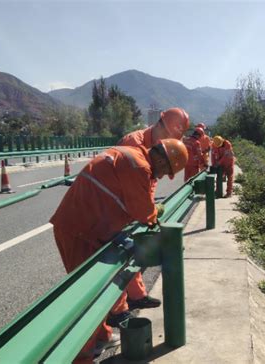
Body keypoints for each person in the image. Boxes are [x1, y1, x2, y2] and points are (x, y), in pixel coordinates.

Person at [50, 139, 188, 363]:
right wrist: (157, 211)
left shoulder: (132, 153)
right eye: (165, 170)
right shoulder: (139, 166)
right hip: (79, 230)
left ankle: (102, 336)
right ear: (161, 158)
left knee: (99, 290)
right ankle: (82, 357)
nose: (162, 176)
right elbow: (145, 212)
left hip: (88, 226)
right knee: (89, 295)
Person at [115, 107, 190, 315]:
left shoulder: (157, 149)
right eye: (167, 136)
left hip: (133, 200)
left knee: (132, 249)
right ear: (159, 124)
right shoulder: (134, 144)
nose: (167, 142)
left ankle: (137, 296)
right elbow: (131, 184)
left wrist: (150, 209)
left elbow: (150, 181)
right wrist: (148, 213)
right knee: (117, 256)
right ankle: (116, 315)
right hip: (119, 203)